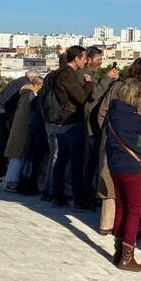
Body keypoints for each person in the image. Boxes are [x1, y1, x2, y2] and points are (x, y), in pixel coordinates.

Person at [94, 57, 141, 233]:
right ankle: (124, 231)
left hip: (110, 140)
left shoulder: (116, 86)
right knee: (130, 194)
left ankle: (107, 224)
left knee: (108, 181)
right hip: (131, 147)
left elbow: (102, 113)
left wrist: (108, 130)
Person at [104, 78, 141, 272]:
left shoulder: (112, 114)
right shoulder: (134, 117)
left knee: (121, 207)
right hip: (131, 167)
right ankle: (127, 257)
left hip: (114, 165)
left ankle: (118, 252)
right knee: (134, 210)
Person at [40, 46, 93, 207]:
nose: (86, 61)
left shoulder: (57, 73)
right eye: (84, 58)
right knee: (75, 163)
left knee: (61, 161)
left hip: (60, 124)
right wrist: (89, 84)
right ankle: (78, 200)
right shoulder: (67, 75)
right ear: (76, 58)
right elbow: (81, 97)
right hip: (70, 123)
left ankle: (57, 196)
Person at [81, 46, 120, 210]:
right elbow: (94, 95)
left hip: (95, 124)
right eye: (98, 59)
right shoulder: (85, 75)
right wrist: (107, 78)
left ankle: (90, 196)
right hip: (92, 125)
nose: (100, 62)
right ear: (88, 59)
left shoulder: (94, 74)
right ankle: (86, 197)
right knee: (90, 164)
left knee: (93, 164)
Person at [2, 70, 44, 192]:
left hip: (18, 126)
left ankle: (10, 181)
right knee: (18, 156)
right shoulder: (31, 95)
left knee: (15, 156)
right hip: (24, 128)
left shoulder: (24, 94)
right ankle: (12, 182)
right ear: (36, 85)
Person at [0, 72, 30, 181]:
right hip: (1, 113)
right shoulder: (25, 84)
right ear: (32, 77)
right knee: (1, 144)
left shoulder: (18, 81)